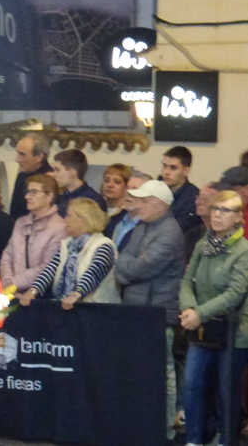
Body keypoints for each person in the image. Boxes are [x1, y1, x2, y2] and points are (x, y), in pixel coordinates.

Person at [114, 179, 185, 443]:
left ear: (158, 204)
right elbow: (122, 260)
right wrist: (126, 268)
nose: (138, 206)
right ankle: (140, 424)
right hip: (137, 311)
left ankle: (165, 429)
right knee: (137, 370)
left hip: (157, 314)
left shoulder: (170, 233)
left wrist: (126, 269)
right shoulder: (143, 226)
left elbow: (136, 268)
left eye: (143, 201)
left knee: (163, 371)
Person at [179, 190, 248, 446]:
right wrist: (189, 308)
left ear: (239, 217)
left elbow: (235, 294)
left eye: (225, 210)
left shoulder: (243, 251)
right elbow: (187, 281)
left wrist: (200, 313)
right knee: (192, 384)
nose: (217, 215)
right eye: (215, 209)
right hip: (201, 328)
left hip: (233, 332)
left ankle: (224, 440)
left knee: (225, 391)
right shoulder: (203, 245)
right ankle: (194, 439)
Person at [20, 198, 119, 308]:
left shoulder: (103, 245)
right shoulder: (67, 244)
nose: (65, 219)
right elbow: (50, 270)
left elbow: (93, 274)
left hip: (98, 308)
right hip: (67, 305)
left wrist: (76, 294)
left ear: (83, 219)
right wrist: (33, 291)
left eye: (69, 215)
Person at [0, 174, 66, 293]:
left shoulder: (60, 227)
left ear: (49, 196)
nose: (27, 196)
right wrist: (7, 280)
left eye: (34, 192)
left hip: (40, 293)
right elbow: (7, 255)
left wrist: (14, 283)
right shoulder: (20, 222)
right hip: (11, 290)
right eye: (27, 192)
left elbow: (48, 266)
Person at [161, 147, 203, 249]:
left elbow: (175, 232)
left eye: (173, 168)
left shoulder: (194, 199)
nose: (166, 172)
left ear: (186, 171)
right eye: (164, 166)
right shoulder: (156, 191)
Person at [9, 132, 53, 221]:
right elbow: (14, 214)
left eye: (22, 154)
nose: (17, 159)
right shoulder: (22, 176)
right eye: (17, 153)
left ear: (39, 157)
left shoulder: (51, 180)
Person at [51, 149, 105, 218]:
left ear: (73, 172)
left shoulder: (93, 201)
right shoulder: (59, 198)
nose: (53, 174)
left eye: (57, 170)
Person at [108, 170, 151, 246]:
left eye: (135, 189)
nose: (129, 192)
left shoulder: (150, 227)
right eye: (127, 188)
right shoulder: (114, 219)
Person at [101, 163, 131, 236]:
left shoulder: (128, 213)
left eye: (117, 182)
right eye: (106, 180)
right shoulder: (96, 208)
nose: (110, 185)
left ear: (126, 186)